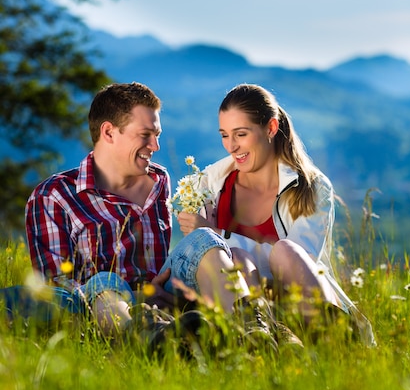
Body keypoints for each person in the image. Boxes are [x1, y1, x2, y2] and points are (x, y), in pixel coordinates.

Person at [2, 82, 242, 342]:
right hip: (102, 305)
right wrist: (136, 295)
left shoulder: (159, 179)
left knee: (203, 239)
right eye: (145, 135)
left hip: (164, 293)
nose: (155, 145)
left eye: (157, 134)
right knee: (103, 280)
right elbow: (54, 286)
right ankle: (145, 340)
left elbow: (159, 263)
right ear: (108, 132)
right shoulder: (53, 196)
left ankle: (248, 329)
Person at [163, 83, 376, 346]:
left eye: (241, 134)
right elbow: (207, 263)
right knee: (237, 258)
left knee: (285, 251)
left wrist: (216, 234)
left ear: (271, 129)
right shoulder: (209, 184)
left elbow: (296, 268)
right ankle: (265, 338)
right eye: (224, 135)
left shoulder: (311, 187)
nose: (231, 146)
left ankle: (337, 339)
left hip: (298, 304)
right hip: (239, 304)